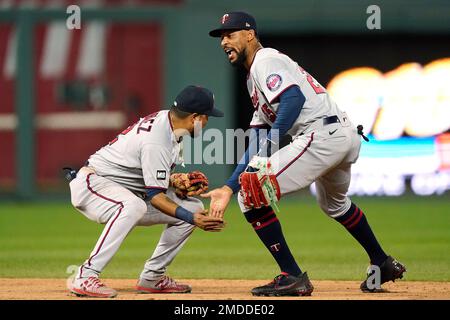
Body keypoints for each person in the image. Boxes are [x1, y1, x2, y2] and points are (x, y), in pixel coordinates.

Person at [203, 12, 406, 296]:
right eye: (221, 36)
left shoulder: (265, 60)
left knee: (251, 193)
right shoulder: (254, 79)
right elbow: (258, 136)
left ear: (250, 34)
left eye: (231, 34)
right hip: (341, 135)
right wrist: (228, 186)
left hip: (321, 136)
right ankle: (381, 262)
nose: (224, 40)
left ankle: (292, 276)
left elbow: (293, 98)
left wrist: (267, 151)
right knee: (333, 204)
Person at [68, 85, 225, 298]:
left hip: (123, 188)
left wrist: (173, 182)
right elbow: (155, 197)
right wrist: (193, 219)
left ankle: (152, 277)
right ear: (194, 117)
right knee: (135, 206)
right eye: (206, 117)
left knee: (192, 205)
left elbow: (147, 175)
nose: (206, 123)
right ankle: (85, 276)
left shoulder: (168, 122)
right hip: (94, 184)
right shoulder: (158, 139)